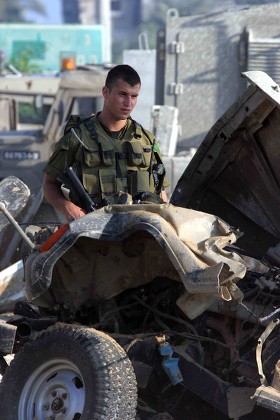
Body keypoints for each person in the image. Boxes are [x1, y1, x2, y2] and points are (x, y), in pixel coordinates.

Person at [43, 64, 168, 221]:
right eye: (123, 94)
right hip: (93, 231)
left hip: (140, 231)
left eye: (134, 96)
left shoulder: (146, 139)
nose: (128, 103)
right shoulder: (78, 137)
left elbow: (160, 189)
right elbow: (49, 184)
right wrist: (69, 208)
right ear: (106, 92)